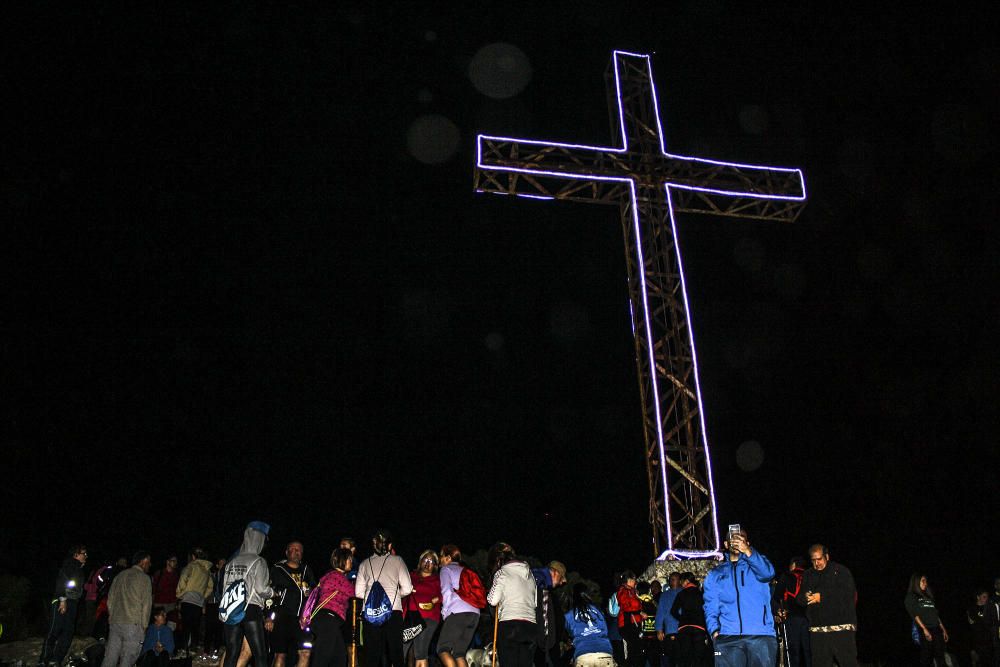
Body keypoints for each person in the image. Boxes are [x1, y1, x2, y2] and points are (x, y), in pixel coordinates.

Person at [702, 529, 776, 667]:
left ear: (747, 543)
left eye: (741, 538)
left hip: (760, 636)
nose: (737, 540)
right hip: (727, 637)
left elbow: (768, 574)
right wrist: (714, 632)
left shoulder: (758, 563)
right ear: (726, 543)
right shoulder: (715, 574)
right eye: (733, 537)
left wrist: (748, 552)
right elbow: (710, 606)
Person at [222, 521, 279, 667]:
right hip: (251, 609)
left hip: (231, 609)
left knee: (232, 652)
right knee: (260, 654)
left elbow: (224, 588)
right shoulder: (259, 561)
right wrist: (273, 593)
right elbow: (261, 589)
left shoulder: (231, 561)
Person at [355, 530, 414, 667]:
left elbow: (358, 593)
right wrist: (393, 596)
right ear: (389, 545)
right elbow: (407, 588)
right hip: (393, 610)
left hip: (370, 613)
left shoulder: (364, 564)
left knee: (372, 654)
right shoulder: (397, 560)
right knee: (396, 652)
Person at [796, 545, 856, 667]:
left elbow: (848, 594)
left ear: (827, 557)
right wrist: (805, 597)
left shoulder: (840, 571)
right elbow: (799, 599)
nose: (816, 563)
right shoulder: (808, 574)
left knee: (848, 663)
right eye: (813, 560)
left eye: (819, 559)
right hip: (817, 630)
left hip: (841, 628)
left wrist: (821, 596)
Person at [301, 547, 355, 667]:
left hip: (328, 620)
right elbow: (355, 593)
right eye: (349, 559)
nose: (352, 562)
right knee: (322, 657)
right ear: (342, 560)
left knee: (339, 656)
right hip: (328, 619)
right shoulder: (337, 576)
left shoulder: (329, 575)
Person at [487, 542, 538, 667]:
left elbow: (492, 600)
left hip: (510, 625)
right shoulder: (530, 574)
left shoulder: (501, 573)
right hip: (530, 627)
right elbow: (535, 602)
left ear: (498, 560)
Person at [270, 541, 318, 667]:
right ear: (287, 552)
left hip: (302, 620)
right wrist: (269, 616)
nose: (296, 552)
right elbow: (269, 594)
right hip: (282, 618)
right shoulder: (278, 570)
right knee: (280, 655)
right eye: (293, 549)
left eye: (299, 550)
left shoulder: (307, 570)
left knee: (306, 652)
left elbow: (314, 592)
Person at [101, 551, 154, 667]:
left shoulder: (120, 575)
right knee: (128, 658)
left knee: (110, 656)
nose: (150, 565)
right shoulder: (144, 578)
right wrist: (144, 625)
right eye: (149, 562)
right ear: (143, 561)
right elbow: (146, 604)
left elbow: (110, 598)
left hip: (116, 622)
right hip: (133, 623)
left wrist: (111, 616)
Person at [39, 544, 88, 667]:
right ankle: (44, 660)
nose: (86, 556)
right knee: (54, 630)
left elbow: (76, 586)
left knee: (67, 632)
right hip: (62, 600)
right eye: (84, 553)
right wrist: (62, 599)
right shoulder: (69, 564)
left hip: (72, 602)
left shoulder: (78, 568)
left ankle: (55, 660)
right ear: (76, 554)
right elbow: (63, 581)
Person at [437, 545, 482, 667]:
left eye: (441, 556)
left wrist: (445, 614)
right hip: (475, 614)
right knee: (459, 653)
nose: (439, 559)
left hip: (457, 612)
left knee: (442, 649)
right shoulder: (466, 570)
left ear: (448, 558)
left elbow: (446, 591)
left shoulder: (446, 570)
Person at [406, 550, 442, 667]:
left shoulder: (438, 579)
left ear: (435, 565)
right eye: (425, 560)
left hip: (428, 617)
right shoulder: (411, 576)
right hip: (409, 617)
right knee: (400, 648)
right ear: (420, 562)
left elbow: (447, 593)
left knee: (420, 651)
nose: (427, 563)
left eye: (431, 561)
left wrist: (437, 599)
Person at [563, 583, 614, 667]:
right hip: (604, 652)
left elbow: (569, 634)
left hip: (583, 655)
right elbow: (605, 629)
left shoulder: (568, 615)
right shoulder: (598, 610)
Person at [772, 557, 810, 667]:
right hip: (809, 618)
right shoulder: (810, 576)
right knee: (809, 650)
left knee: (793, 651)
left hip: (792, 617)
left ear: (793, 565)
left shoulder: (787, 576)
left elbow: (777, 595)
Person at [176, 547, 215, 654]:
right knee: (195, 626)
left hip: (188, 600)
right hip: (198, 602)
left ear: (193, 556)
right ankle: (193, 649)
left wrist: (180, 593)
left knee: (186, 626)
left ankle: (184, 649)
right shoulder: (206, 570)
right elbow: (211, 586)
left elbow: (183, 577)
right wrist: (203, 596)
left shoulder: (191, 566)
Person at [905, 573, 949, 667]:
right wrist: (924, 629)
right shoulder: (911, 596)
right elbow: (915, 615)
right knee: (926, 658)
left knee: (940, 655)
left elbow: (935, 614)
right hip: (925, 628)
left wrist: (943, 629)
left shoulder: (928, 596)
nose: (925, 583)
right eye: (923, 581)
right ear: (916, 582)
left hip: (936, 628)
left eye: (926, 581)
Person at [532, 560, 568, 667]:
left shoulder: (544, 587)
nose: (561, 583)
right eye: (561, 578)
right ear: (555, 573)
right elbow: (542, 618)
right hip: (535, 642)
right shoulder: (539, 584)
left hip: (539, 643)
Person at [669, 572, 708, 667]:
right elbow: (707, 610)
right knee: (698, 658)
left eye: (682, 581)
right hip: (699, 627)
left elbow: (673, 611)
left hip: (684, 628)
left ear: (686, 581)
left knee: (686, 657)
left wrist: (682, 619)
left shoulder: (681, 594)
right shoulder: (701, 593)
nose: (681, 584)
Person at [615, 570, 646, 667]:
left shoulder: (632, 591)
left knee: (636, 649)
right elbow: (625, 607)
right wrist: (639, 612)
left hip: (635, 623)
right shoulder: (623, 591)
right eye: (633, 579)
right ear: (628, 580)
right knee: (633, 650)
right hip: (627, 624)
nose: (635, 581)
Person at [655, 573, 682, 667]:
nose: (671, 581)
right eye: (670, 579)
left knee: (682, 659)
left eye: (674, 579)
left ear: (680, 581)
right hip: (670, 631)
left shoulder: (684, 593)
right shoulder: (665, 595)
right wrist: (659, 630)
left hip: (683, 631)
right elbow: (660, 613)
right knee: (670, 658)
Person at [968, 589, 993, 667]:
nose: (986, 599)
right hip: (977, 642)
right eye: (984, 597)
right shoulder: (972, 609)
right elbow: (973, 623)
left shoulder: (989, 608)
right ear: (978, 597)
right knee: (977, 662)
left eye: (987, 597)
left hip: (988, 641)